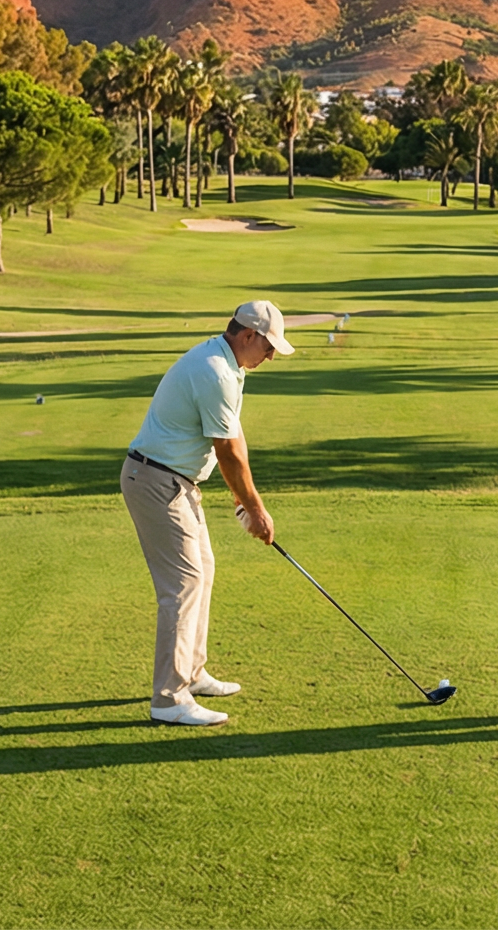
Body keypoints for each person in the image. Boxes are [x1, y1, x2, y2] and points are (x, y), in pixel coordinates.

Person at [122, 300, 294, 726]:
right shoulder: (215, 371)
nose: (271, 356)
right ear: (248, 335)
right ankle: (169, 698)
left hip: (176, 482)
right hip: (156, 481)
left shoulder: (229, 365)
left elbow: (234, 436)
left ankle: (192, 674)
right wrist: (256, 509)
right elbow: (228, 451)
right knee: (183, 584)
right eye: (269, 347)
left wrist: (242, 497)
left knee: (204, 570)